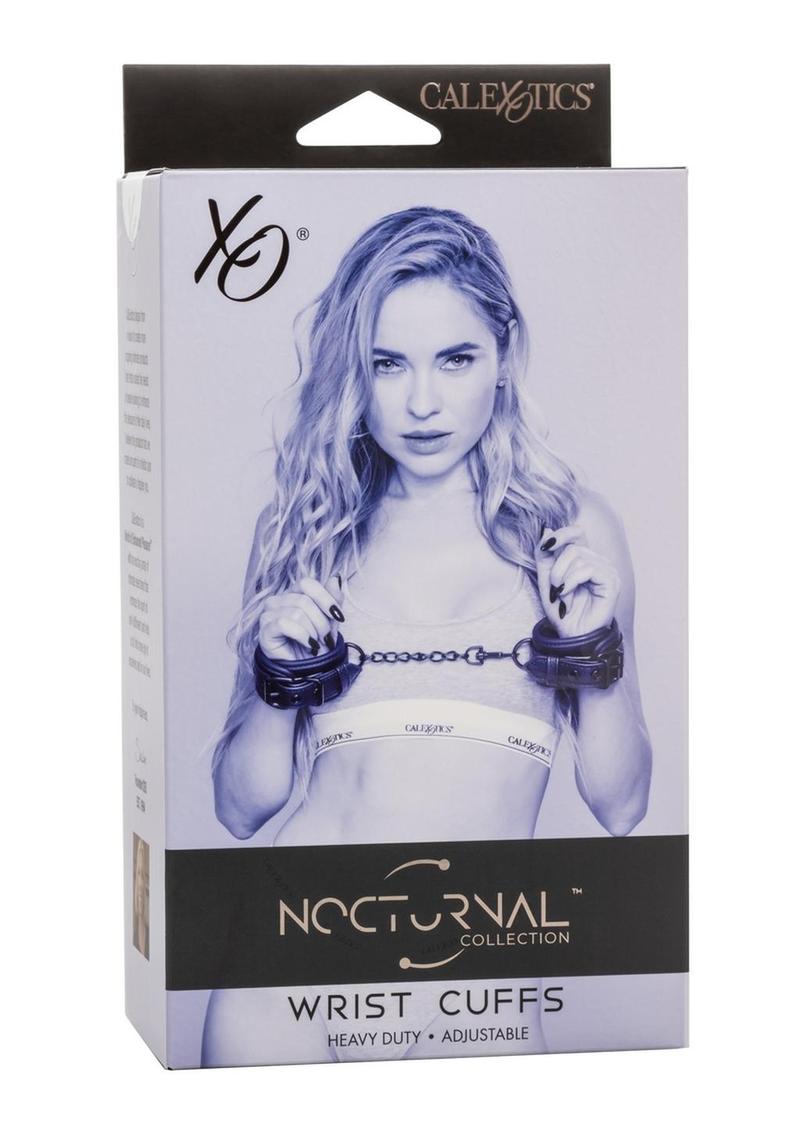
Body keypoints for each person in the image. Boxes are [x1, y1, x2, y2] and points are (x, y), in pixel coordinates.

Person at [202, 206, 652, 1065]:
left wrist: (594, 646)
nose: (420, 403)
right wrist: (274, 674)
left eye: (455, 359)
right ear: (354, 371)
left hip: (476, 988)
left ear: (504, 357)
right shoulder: (309, 532)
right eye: (387, 364)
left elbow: (622, 805)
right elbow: (240, 808)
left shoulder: (567, 534)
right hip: (286, 974)